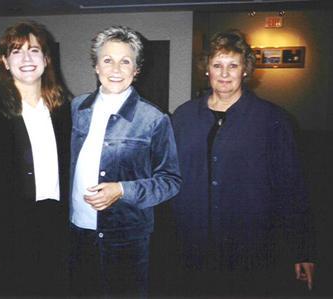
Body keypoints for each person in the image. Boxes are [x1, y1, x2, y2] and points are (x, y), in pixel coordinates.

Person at [171, 29, 315, 296]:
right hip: (192, 243)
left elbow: (291, 186)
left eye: (233, 65)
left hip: (249, 245)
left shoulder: (272, 120)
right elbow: (170, 176)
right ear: (207, 70)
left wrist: (302, 248)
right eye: (217, 65)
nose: (224, 74)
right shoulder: (183, 116)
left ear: (245, 70)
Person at [0, 21, 71, 296]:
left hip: (55, 226)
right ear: (5, 61)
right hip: (5, 232)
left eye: (34, 50)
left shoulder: (64, 108)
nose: (27, 58)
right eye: (16, 51)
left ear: (46, 59)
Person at [69, 25, 181, 297]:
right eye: (107, 60)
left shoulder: (154, 118)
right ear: (96, 66)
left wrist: (122, 190)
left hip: (126, 238)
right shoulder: (76, 108)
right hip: (78, 231)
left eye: (125, 61)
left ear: (136, 70)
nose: (115, 68)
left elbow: (171, 181)